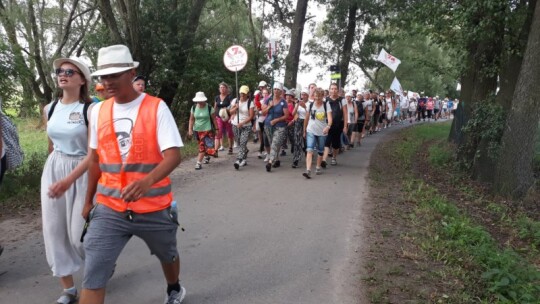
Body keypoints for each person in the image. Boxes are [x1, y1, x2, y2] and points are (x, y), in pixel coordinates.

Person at [80, 44, 184, 304]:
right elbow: (95, 160)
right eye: (104, 76)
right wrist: (87, 200)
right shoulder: (97, 111)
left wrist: (146, 182)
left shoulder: (156, 108)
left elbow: (174, 155)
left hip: (153, 207)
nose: (107, 82)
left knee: (168, 255)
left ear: (132, 72)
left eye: (114, 75)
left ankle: (174, 288)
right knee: (94, 272)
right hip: (109, 207)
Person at [41, 56, 94, 304]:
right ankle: (69, 290)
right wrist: (54, 175)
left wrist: (71, 178)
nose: (63, 74)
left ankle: (102, 262)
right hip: (54, 169)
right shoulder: (49, 108)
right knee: (54, 230)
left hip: (82, 171)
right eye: (60, 71)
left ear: (82, 80)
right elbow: (51, 145)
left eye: (70, 72)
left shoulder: (90, 109)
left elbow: (95, 153)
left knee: (78, 236)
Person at [302, 87, 332, 178]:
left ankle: (318, 167)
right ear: (314, 96)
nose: (317, 99)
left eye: (319, 97)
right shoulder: (310, 105)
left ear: (323, 96)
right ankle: (308, 170)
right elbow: (306, 118)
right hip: (311, 130)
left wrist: (328, 126)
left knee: (320, 150)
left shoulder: (326, 105)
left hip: (322, 131)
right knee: (310, 150)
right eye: (316, 96)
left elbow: (330, 118)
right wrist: (304, 130)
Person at [262, 82, 289, 172]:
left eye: (278, 89)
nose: (276, 91)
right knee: (273, 144)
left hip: (280, 126)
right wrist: (269, 106)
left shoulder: (283, 102)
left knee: (275, 144)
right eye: (275, 89)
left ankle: (270, 162)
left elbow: (286, 115)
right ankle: (276, 160)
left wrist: (277, 120)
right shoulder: (268, 99)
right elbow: (263, 112)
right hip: (268, 125)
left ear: (281, 91)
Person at [188, 91, 218, 170]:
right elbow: (191, 119)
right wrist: (190, 129)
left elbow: (214, 119)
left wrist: (217, 129)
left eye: (201, 101)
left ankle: (198, 163)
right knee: (204, 146)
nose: (200, 102)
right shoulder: (193, 108)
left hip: (207, 130)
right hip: (197, 130)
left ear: (204, 100)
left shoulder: (209, 108)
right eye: (198, 101)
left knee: (202, 146)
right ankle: (207, 155)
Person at [322, 83, 347, 167]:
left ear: (338, 90)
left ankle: (334, 157)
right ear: (329, 90)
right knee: (327, 141)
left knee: (336, 143)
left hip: (338, 124)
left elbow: (345, 113)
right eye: (332, 89)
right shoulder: (325, 100)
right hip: (327, 124)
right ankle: (324, 160)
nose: (333, 90)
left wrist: (345, 126)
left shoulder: (342, 100)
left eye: (335, 89)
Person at [229, 85, 255, 169]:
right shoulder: (235, 101)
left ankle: (238, 159)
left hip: (246, 126)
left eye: (244, 93)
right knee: (239, 143)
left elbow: (251, 116)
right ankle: (244, 155)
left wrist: (242, 123)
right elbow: (230, 112)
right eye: (241, 93)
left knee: (243, 142)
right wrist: (236, 107)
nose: (242, 95)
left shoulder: (250, 103)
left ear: (248, 94)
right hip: (235, 125)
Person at [214, 82, 235, 155]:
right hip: (219, 117)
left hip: (227, 117)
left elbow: (233, 106)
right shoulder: (217, 97)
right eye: (221, 87)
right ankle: (215, 150)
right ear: (219, 89)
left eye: (223, 87)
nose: (222, 89)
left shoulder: (229, 97)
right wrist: (213, 116)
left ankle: (230, 148)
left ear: (226, 88)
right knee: (218, 132)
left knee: (229, 132)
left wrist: (231, 116)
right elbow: (215, 107)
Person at [291, 88, 308, 168]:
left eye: (305, 95)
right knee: (297, 141)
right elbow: (293, 113)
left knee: (306, 141)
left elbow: (310, 114)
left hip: (307, 122)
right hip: (298, 122)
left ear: (307, 96)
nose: (303, 96)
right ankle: (296, 159)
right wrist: (297, 105)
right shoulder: (298, 103)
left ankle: (307, 155)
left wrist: (305, 107)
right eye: (302, 94)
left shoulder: (309, 103)